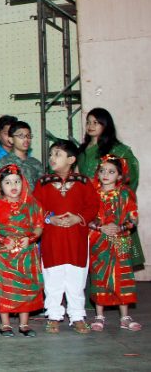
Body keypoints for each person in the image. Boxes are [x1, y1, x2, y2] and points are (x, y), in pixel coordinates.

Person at [33, 140, 100, 334]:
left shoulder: (84, 182)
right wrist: (50, 219)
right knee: (53, 278)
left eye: (58, 154)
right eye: (51, 154)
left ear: (71, 159)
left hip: (76, 239)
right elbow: (36, 207)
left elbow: (92, 206)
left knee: (76, 278)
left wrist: (77, 218)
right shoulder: (43, 182)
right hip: (52, 239)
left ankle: (77, 315)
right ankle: (53, 315)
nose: (52, 158)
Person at [78, 108, 142, 267]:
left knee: (121, 259)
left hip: (115, 206)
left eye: (96, 122)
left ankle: (123, 290)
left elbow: (131, 175)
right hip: (92, 205)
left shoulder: (119, 150)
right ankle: (99, 290)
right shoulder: (82, 151)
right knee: (98, 258)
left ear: (106, 125)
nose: (90, 126)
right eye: (88, 122)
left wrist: (118, 197)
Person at [0, 164, 45, 337]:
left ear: (23, 183)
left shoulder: (32, 204)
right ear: (0, 186)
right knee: (5, 287)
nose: (13, 186)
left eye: (17, 181)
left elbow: (39, 227)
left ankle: (24, 324)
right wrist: (3, 239)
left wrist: (31, 238)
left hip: (26, 252)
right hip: (4, 252)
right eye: (8, 182)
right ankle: (4, 324)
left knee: (25, 287)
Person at [88, 155, 141, 332]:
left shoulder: (125, 193)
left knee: (123, 276)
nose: (105, 174)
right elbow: (86, 217)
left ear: (119, 176)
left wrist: (119, 227)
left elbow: (133, 218)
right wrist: (101, 227)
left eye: (111, 172)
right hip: (99, 240)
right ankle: (99, 316)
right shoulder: (92, 193)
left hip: (121, 240)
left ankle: (125, 317)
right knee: (99, 277)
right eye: (102, 171)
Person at [0, 121, 43, 189]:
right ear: (11, 140)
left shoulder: (36, 163)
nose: (26, 139)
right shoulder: (3, 163)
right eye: (21, 136)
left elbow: (43, 189)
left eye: (28, 136)